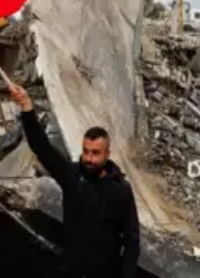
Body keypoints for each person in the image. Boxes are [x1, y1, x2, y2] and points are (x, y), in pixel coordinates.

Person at [10, 85, 140, 278]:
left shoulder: (120, 190)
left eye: (95, 153)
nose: (88, 158)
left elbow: (131, 240)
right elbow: (42, 147)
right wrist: (27, 107)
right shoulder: (72, 176)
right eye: (85, 151)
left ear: (107, 154)